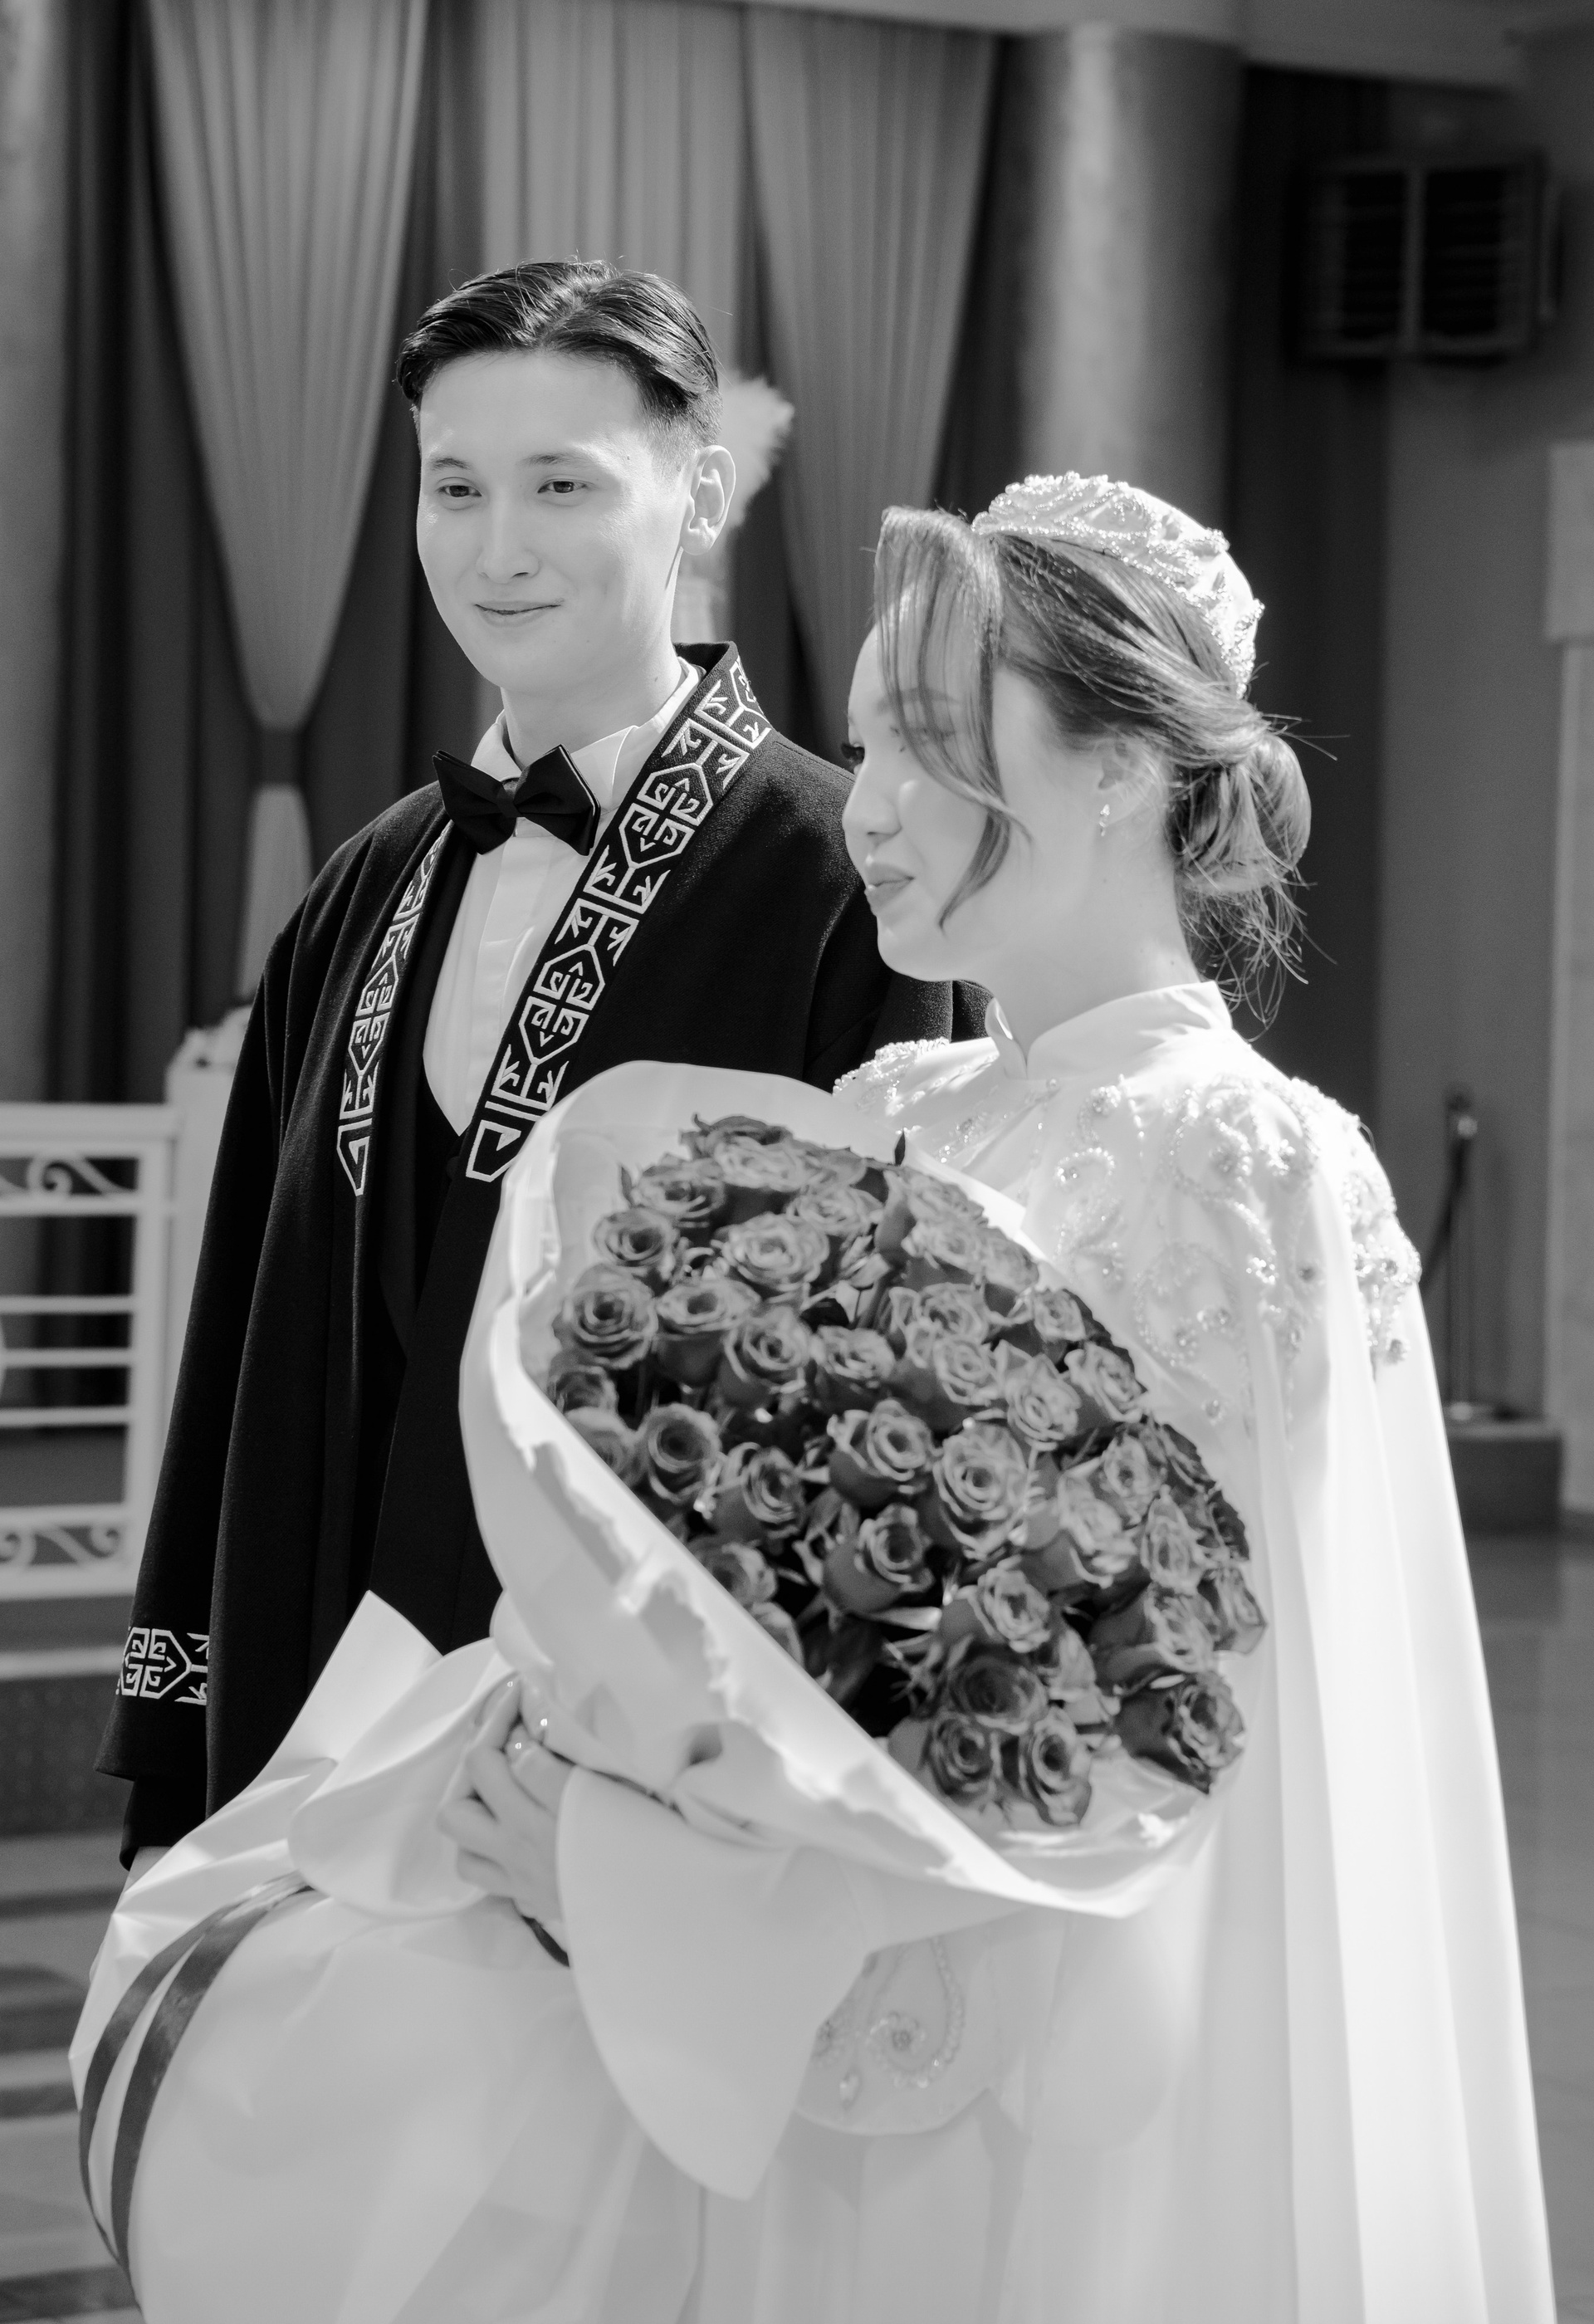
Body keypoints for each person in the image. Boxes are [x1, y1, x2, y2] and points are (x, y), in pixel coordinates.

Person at [438, 475, 1556, 2319]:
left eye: (926, 741)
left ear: (1114, 766)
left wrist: (661, 1890)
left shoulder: (1256, 1163)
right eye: (865, 739)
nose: (865, 802)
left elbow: (1202, 1760)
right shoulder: (887, 1109)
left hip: (1062, 2062)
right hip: (815, 2001)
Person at [99, 260, 979, 1871]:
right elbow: (241, 1336)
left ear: (698, 491)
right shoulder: (359, 888)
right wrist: (176, 1760)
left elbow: (890, 1387)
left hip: (631, 1784)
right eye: (456, 487)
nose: (498, 546)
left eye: (562, 484)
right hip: (312, 1725)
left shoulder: (846, 889)